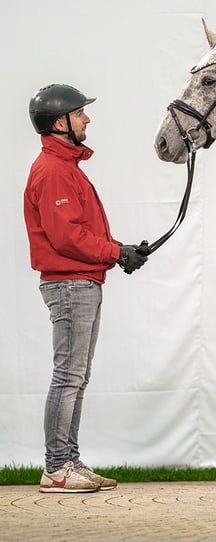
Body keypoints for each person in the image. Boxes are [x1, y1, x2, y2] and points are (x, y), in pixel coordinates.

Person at [24, 84, 149, 493]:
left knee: (77, 376)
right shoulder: (54, 170)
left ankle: (69, 461)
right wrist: (116, 252)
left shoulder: (66, 167)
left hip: (81, 282)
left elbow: (78, 235)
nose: (87, 119)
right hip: (70, 284)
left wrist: (120, 252)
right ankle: (57, 467)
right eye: (79, 113)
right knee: (68, 376)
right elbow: (67, 239)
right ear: (60, 122)